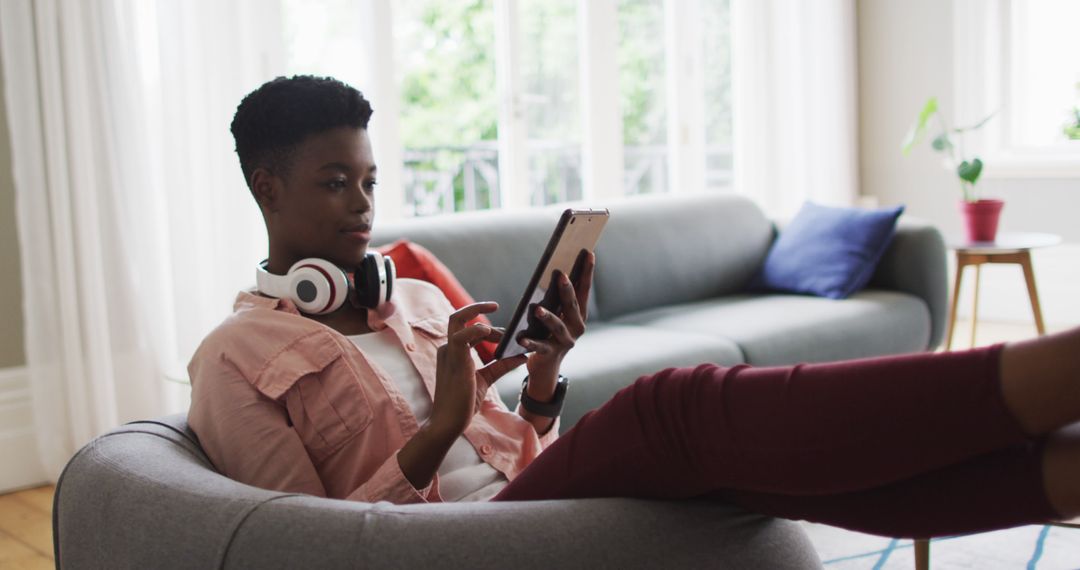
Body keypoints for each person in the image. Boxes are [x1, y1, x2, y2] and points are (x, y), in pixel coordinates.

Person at [187, 75, 1079, 538]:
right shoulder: (231, 360)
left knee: (755, 478)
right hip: (443, 546)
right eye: (334, 182)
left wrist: (540, 387)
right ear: (267, 188)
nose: (363, 204)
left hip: (523, 505)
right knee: (669, 406)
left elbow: (511, 446)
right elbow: (303, 545)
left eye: (371, 180)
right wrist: (437, 428)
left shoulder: (412, 298)